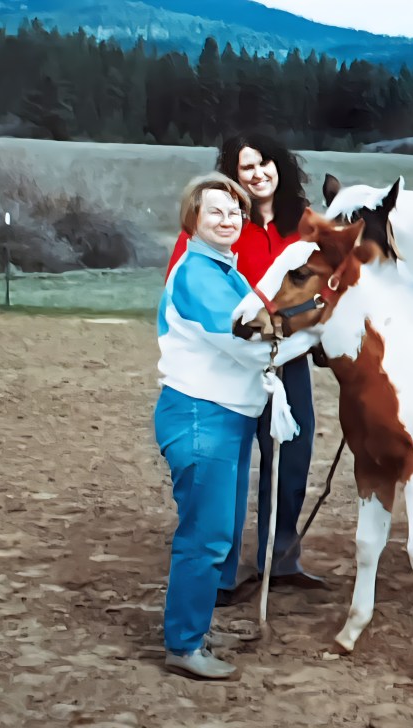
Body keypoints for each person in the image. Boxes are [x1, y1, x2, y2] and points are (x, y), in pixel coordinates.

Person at [165, 133, 325, 601]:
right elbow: (186, 282)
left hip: (288, 359)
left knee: (292, 458)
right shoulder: (223, 223)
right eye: (245, 168)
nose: (257, 175)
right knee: (232, 461)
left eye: (264, 164)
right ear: (232, 176)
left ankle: (281, 557)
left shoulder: (305, 222)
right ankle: (224, 572)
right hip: (235, 359)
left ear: (280, 166)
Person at [155, 173, 276, 680]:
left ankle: (196, 626)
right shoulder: (200, 274)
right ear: (194, 219)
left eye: (234, 213)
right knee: (206, 535)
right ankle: (183, 644)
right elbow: (244, 337)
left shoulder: (226, 270)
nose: (228, 220)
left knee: (217, 532)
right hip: (203, 415)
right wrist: (294, 334)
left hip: (228, 415)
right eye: (216, 212)